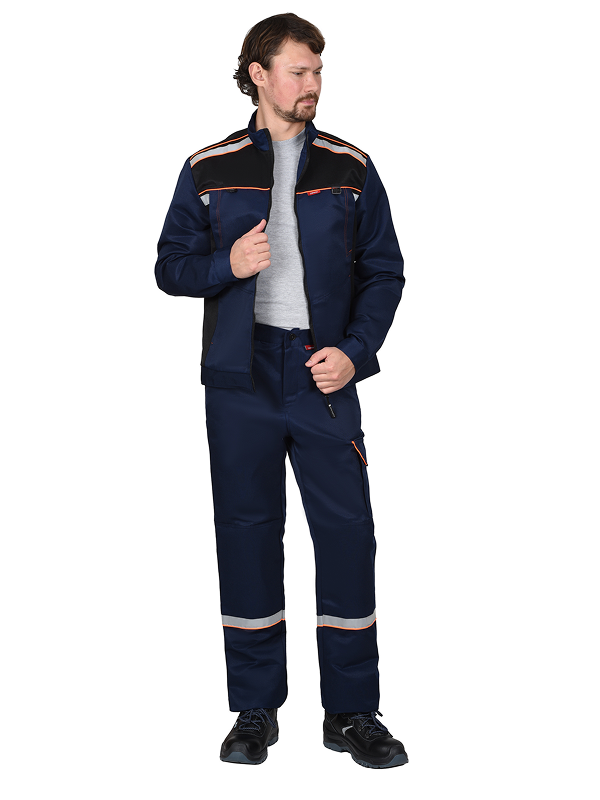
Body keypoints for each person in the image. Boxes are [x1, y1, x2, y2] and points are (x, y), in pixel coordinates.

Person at [155, 13, 408, 769]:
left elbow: (386, 271)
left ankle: (352, 712)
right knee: (247, 532)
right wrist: (225, 265)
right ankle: (255, 709)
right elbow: (169, 266)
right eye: (299, 71)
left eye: (319, 71)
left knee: (347, 535)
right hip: (241, 377)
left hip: (321, 371)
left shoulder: (351, 166)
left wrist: (354, 354)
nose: (313, 84)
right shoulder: (209, 167)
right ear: (258, 74)